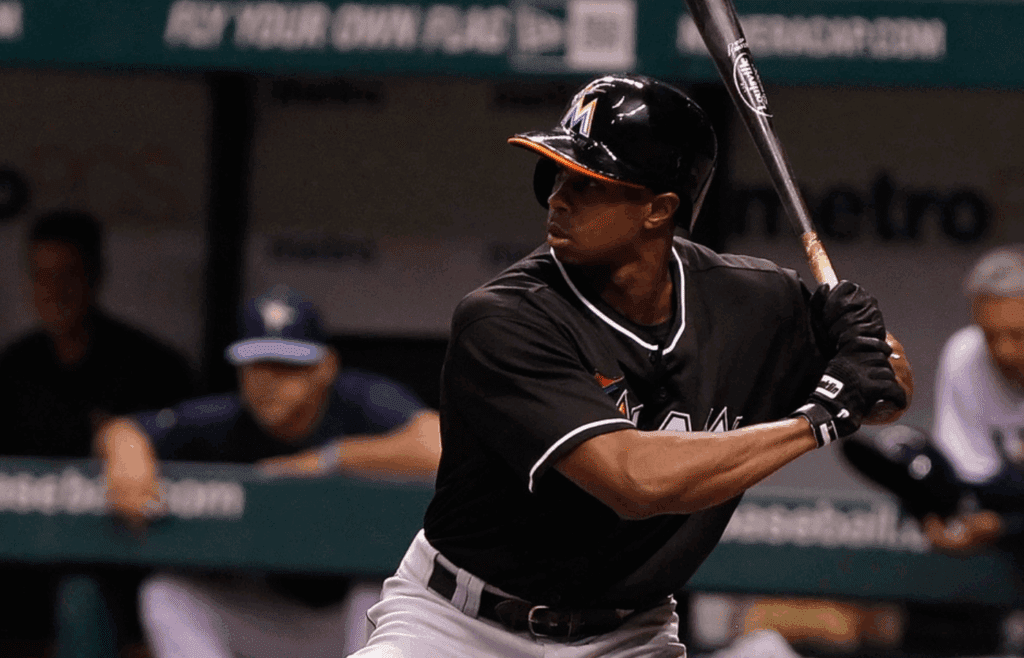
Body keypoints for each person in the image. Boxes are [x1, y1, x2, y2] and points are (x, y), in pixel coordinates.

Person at [351, 74, 909, 658]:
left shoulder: (752, 301)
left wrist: (869, 343)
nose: (558, 196)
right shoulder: (505, 317)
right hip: (462, 625)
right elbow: (633, 483)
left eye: (589, 182)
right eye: (558, 173)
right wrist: (816, 420)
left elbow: (886, 395)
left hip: (627, 634)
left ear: (657, 209)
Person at [96, 284, 442, 658]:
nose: (269, 381)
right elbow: (124, 429)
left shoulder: (358, 400)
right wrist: (127, 455)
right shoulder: (229, 416)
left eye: (288, 366)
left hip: (352, 623)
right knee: (163, 593)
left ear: (325, 368)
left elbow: (438, 446)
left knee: (375, 591)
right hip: (270, 616)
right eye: (256, 366)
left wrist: (329, 459)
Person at [0, 209, 196, 657]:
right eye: (40, 276)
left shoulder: (151, 365)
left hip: (124, 557)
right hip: (24, 566)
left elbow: (193, 468)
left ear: (96, 275)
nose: (53, 291)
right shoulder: (15, 366)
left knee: (91, 592)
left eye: (67, 274)